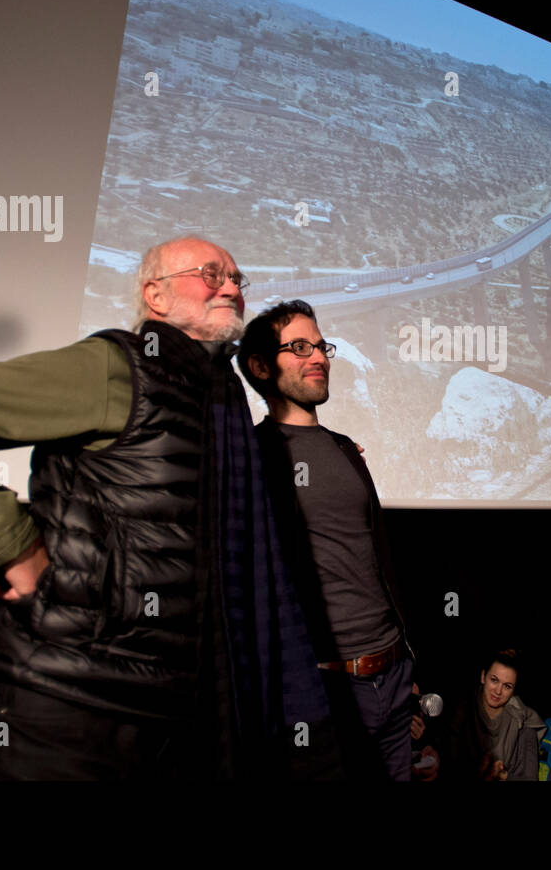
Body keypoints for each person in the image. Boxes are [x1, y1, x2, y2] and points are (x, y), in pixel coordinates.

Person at [0, 236, 330, 779]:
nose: (230, 287)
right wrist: (9, 545)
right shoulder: (115, 368)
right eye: (211, 273)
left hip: (177, 716)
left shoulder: (218, 399)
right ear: (156, 296)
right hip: (72, 708)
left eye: (236, 279)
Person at [237, 299, 415, 780]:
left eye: (320, 346)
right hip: (321, 689)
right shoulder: (252, 455)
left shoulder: (345, 449)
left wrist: (408, 663)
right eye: (299, 347)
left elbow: (375, 557)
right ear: (260, 365)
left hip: (394, 675)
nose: (318, 357)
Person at [444, 650, 546, 781]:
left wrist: (501, 776)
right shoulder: (461, 712)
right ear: (483, 677)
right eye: (494, 680)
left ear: (513, 691)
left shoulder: (524, 722)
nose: (498, 691)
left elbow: (530, 778)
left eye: (507, 686)